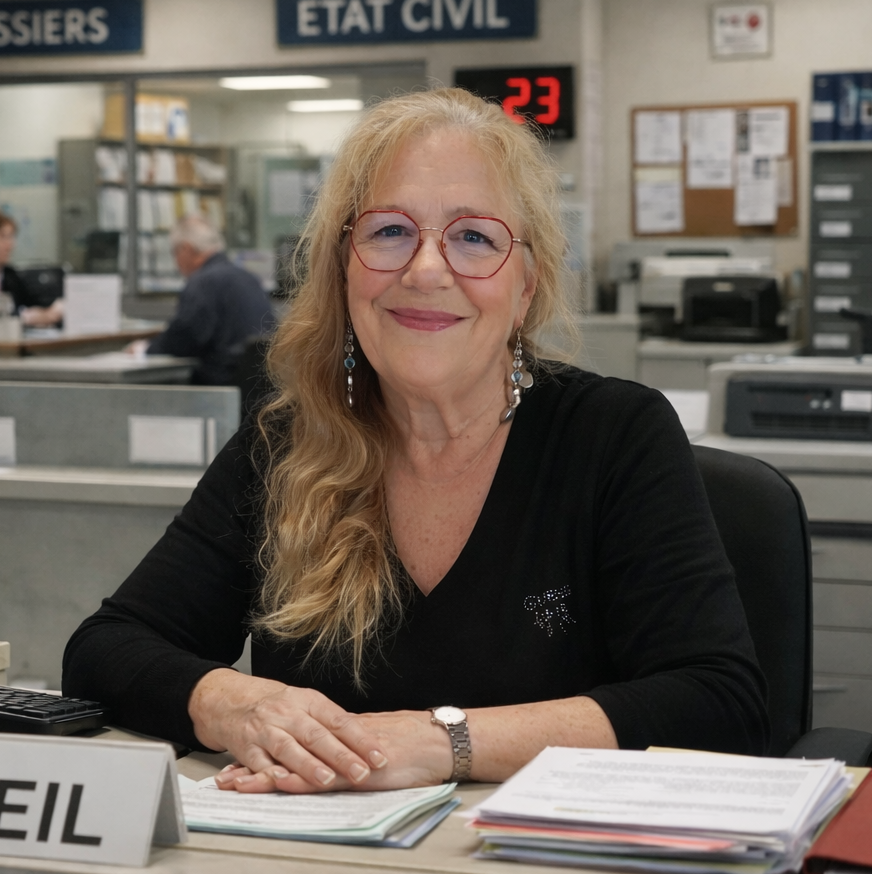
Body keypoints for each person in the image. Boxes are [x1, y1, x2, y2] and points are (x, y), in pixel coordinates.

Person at [63, 88, 768, 794]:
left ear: (526, 286)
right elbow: (104, 652)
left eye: (475, 237)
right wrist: (238, 704)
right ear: (343, 268)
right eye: (390, 231)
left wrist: (444, 742)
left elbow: (717, 704)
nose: (426, 270)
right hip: (304, 846)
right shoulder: (286, 444)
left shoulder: (613, 436)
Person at [136, 215, 276, 385]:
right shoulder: (249, 278)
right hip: (259, 385)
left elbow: (183, 339)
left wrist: (146, 349)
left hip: (219, 383)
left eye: (175, 253)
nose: (176, 263)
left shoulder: (202, 283)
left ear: (186, 249)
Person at [0, 211, 64, 328]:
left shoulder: (10, 275)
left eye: (12, 237)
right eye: (4, 237)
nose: (10, 245)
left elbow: (31, 304)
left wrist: (47, 312)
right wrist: (23, 318)